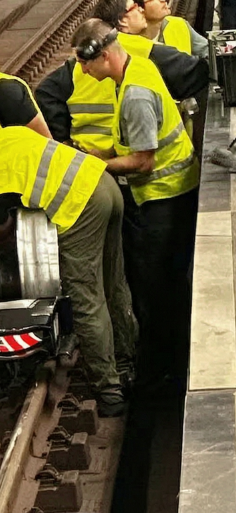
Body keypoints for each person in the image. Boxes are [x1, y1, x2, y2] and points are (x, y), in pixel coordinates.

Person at [0, 126, 133, 417]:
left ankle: (109, 391)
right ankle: (125, 365)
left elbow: (2, 234)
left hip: (81, 205)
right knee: (113, 284)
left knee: (86, 298)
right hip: (103, 181)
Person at [72, 19, 199, 389]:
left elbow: (143, 161)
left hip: (164, 198)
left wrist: (97, 165)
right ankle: (167, 362)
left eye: (85, 63)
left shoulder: (136, 95)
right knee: (162, 284)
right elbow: (132, 145)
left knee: (158, 288)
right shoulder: (135, 69)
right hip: (169, 193)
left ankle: (166, 372)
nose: (82, 71)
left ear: (104, 56)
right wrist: (102, 154)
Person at [35, 0, 209, 157]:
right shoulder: (143, 50)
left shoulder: (77, 64)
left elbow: (46, 93)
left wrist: (64, 140)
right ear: (123, 20)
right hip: (133, 160)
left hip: (92, 157)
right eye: (135, 6)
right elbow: (198, 74)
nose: (141, 9)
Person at [138, 0, 209, 57]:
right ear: (137, 8)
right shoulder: (132, 39)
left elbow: (209, 52)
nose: (163, 0)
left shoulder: (178, 24)